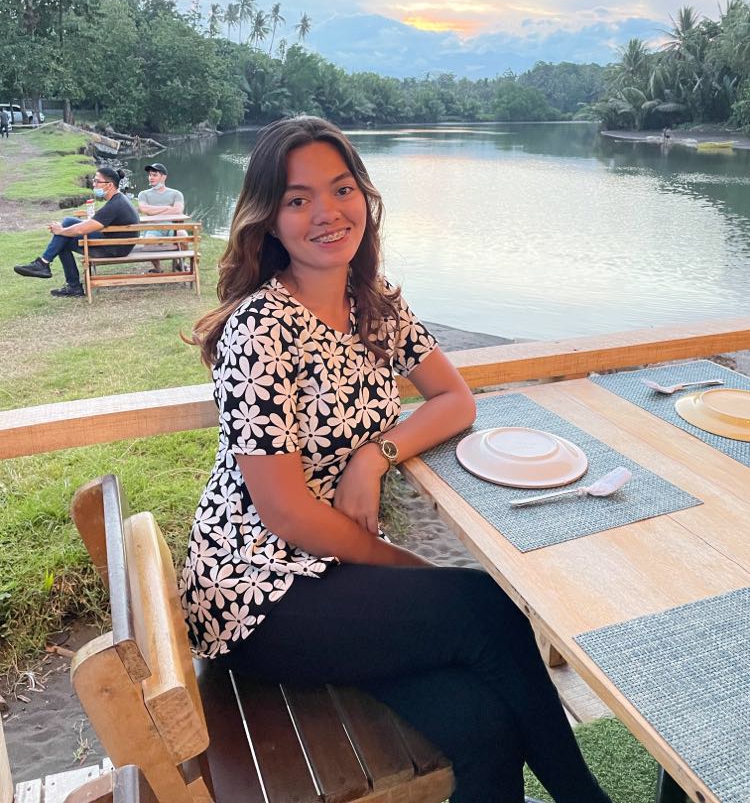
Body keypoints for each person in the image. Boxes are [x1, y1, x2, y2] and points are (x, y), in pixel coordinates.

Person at [180, 116, 611, 803]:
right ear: (271, 220)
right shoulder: (260, 329)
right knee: (485, 606)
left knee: (483, 723)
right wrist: (399, 562)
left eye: (341, 189)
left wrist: (373, 457)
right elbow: (286, 513)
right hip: (256, 596)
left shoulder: (372, 303)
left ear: (364, 196)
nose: (327, 213)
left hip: (335, 574)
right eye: (298, 199)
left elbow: (455, 399)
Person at [13, 166, 140, 298]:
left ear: (109, 185)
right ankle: (46, 266)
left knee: (63, 238)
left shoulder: (115, 205)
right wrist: (63, 230)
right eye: (94, 181)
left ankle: (56, 274)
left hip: (114, 248)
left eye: (97, 181)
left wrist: (61, 230)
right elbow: (92, 224)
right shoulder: (118, 199)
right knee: (67, 224)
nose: (94, 184)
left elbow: (81, 229)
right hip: (116, 243)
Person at [137, 162, 186, 274]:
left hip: (172, 227)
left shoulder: (176, 194)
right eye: (150, 175)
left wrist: (154, 211)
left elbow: (178, 210)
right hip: (153, 228)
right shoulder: (143, 194)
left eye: (154, 175)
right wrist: (167, 208)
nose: (151, 178)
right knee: (149, 241)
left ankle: (181, 263)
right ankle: (158, 268)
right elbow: (145, 209)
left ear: (163, 177)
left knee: (183, 235)